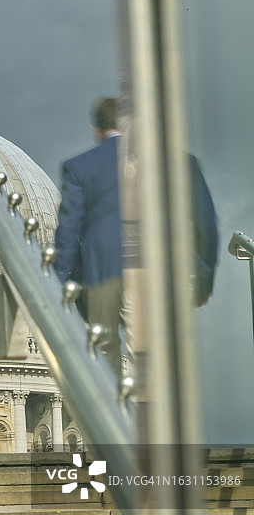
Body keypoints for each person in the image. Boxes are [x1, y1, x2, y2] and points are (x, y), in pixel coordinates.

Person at [53, 97, 218, 377]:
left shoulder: (79, 166)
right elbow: (205, 226)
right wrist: (203, 281)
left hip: (101, 274)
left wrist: (62, 286)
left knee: (104, 363)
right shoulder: (181, 162)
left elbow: (68, 234)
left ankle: (116, 412)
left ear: (96, 129)